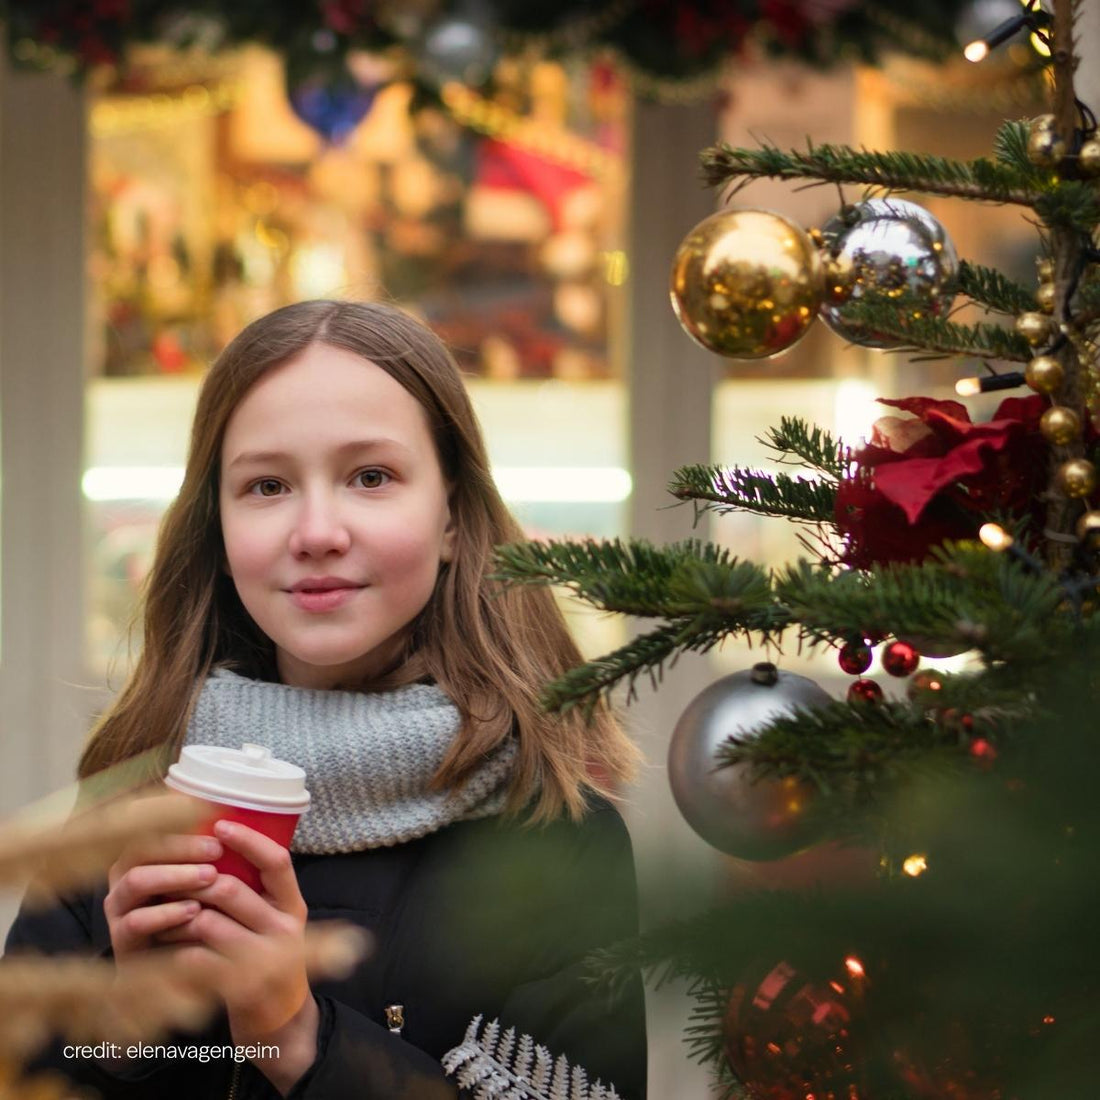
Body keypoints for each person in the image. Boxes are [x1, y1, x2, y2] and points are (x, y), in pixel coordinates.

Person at [4, 300, 647, 1099]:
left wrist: (296, 1036)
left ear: (452, 516)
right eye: (267, 485)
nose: (316, 530)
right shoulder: (125, 811)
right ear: (219, 530)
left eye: (370, 477)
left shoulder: (556, 835)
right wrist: (128, 1026)